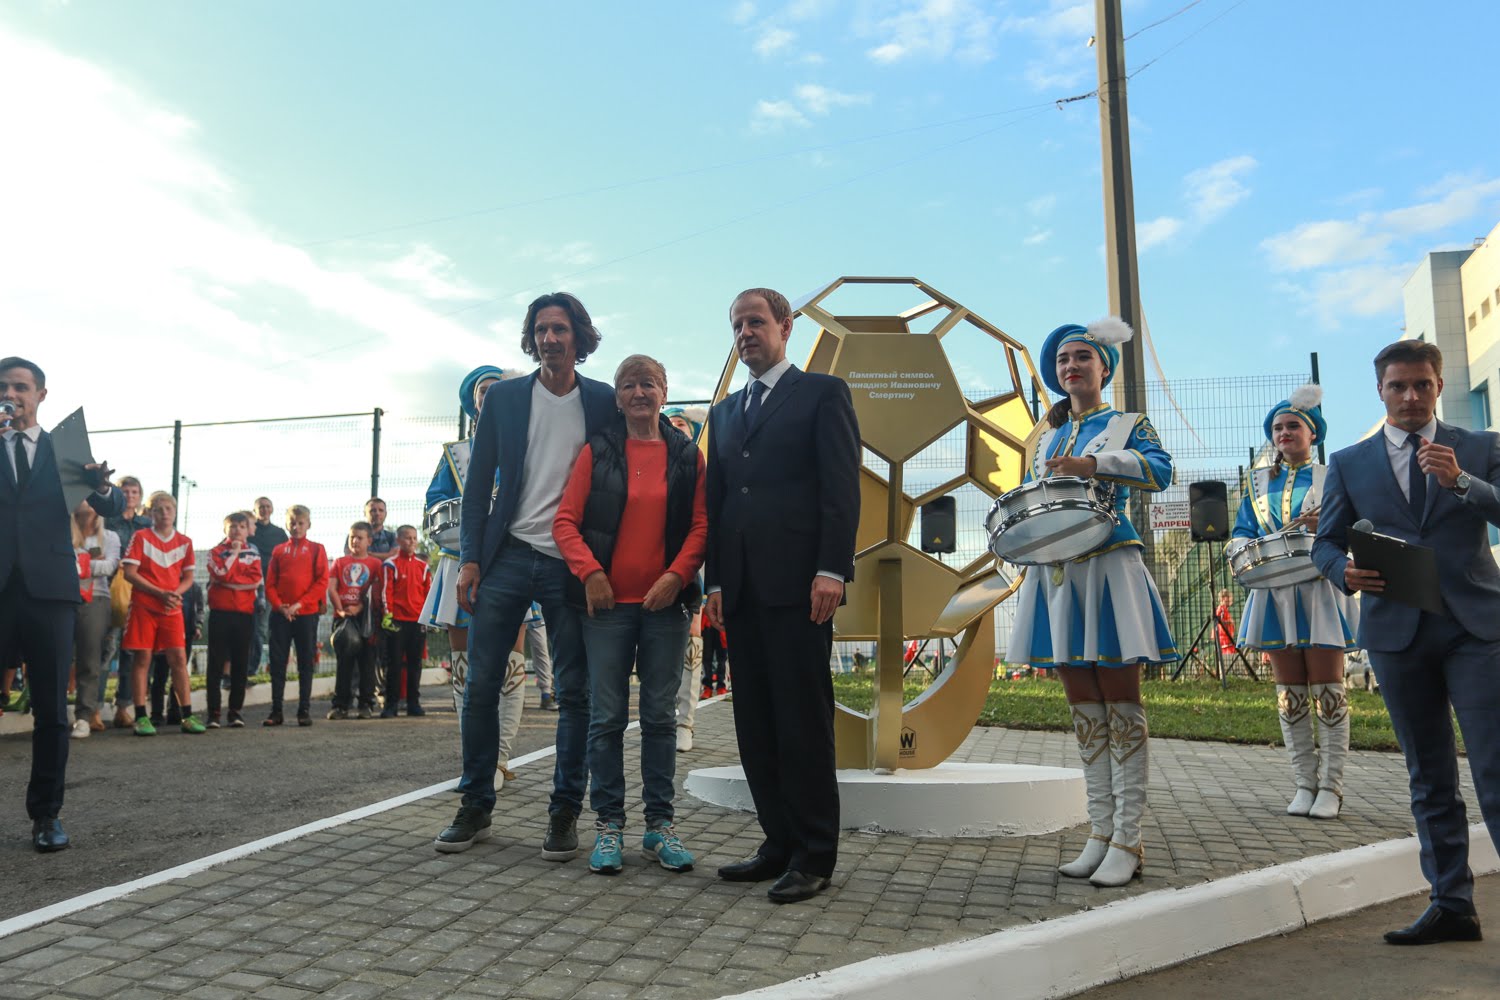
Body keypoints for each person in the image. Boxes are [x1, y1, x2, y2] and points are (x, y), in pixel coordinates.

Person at [1312, 339, 1500, 946]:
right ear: (1380, 391)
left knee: (1495, 767)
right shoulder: (1349, 462)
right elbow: (1324, 541)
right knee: (1429, 776)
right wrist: (1343, 572)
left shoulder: (1481, 447)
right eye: (1398, 386)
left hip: (1477, 630)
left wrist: (1462, 481)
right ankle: (1451, 905)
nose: (1411, 396)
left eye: (1422, 384)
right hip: (1398, 632)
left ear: (1439, 386)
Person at [434, 291, 617, 856]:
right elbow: (478, 485)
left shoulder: (604, 400)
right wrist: (470, 558)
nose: (549, 338)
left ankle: (564, 812)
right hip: (507, 555)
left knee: (574, 693)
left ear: (579, 337)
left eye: (559, 328)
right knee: (481, 684)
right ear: (531, 339)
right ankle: (475, 804)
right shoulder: (506, 399)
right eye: (540, 330)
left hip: (572, 562)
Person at [1005, 317, 1176, 888]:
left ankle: (1128, 838)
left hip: (1109, 565)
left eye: (1082, 357)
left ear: (1105, 368)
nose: (1071, 366)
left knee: (1120, 701)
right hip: (1058, 573)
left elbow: (1161, 471)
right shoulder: (1045, 438)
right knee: (1083, 706)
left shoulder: (1127, 424)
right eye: (1063, 360)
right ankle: (1100, 833)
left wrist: (1096, 464)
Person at [705, 287, 861, 904]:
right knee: (756, 724)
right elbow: (719, 503)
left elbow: (840, 488)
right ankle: (776, 842)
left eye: (756, 322)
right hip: (742, 591)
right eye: (737, 325)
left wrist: (832, 569)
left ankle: (814, 853)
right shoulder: (724, 412)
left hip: (801, 587)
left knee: (802, 722)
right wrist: (716, 580)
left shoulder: (822, 394)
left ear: (786, 326)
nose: (745, 333)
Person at [554, 354, 708, 874]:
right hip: (607, 609)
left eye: (648, 384)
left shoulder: (687, 455)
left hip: (665, 607)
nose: (638, 393)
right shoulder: (596, 451)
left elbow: (702, 526)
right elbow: (565, 522)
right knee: (606, 719)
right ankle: (609, 826)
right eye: (627, 385)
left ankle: (660, 826)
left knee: (660, 718)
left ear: (664, 391)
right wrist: (591, 574)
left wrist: (677, 576)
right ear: (617, 397)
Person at [1, 357, 124, 850]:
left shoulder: (63, 448)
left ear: (41, 395)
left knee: (52, 711)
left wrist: (102, 485)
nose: (10, 395)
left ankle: (46, 815)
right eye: (3, 387)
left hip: (50, 593)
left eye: (20, 387)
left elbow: (111, 506)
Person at [1227, 385, 1357, 819]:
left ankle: (1331, 787)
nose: (1284, 433)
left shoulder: (1332, 475)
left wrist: (1328, 524)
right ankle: (1304, 783)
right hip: (1275, 590)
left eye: (1293, 426)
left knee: (1327, 686)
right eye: (1278, 428)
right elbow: (1242, 530)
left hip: (1320, 587)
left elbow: (1358, 526)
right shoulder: (1257, 482)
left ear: (1312, 433)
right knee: (1289, 692)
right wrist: (1240, 547)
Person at [420, 366, 531, 780]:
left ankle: (500, 758)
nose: (491, 394)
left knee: (511, 663)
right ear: (474, 400)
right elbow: (435, 504)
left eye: (498, 388)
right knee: (466, 666)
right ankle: (476, 758)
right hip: (459, 562)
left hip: (512, 558)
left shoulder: (524, 443)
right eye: (484, 390)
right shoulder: (456, 455)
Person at [121, 491, 205, 735]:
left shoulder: (185, 542)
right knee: (143, 659)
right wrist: (160, 593)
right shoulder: (141, 537)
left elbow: (188, 577)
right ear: (151, 513)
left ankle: (187, 715)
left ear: (175, 512)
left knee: (178, 659)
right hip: (144, 607)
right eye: (159, 509)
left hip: (171, 608)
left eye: (169, 508)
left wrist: (174, 594)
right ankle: (141, 717)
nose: (165, 513)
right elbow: (129, 573)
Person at [663, 405, 707, 753]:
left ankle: (685, 722)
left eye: (682, 424)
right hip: (654, 562)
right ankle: (662, 719)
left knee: (692, 637)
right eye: (671, 423)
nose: (675, 428)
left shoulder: (699, 465)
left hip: (694, 561)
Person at [264, 505, 329, 727]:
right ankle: (276, 711)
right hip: (280, 614)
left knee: (305, 661)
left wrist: (300, 604)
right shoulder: (279, 550)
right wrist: (280, 606)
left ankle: (304, 710)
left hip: (306, 614)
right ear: (286, 524)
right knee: (278, 661)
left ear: (308, 525)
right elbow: (270, 583)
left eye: (301, 523)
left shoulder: (317, 549)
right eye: (292, 523)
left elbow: (321, 581)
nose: (296, 527)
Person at [204, 510, 262, 728]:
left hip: (244, 614)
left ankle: (235, 712)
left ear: (248, 530)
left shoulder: (253, 553)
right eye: (233, 526)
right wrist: (234, 554)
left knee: (240, 663)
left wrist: (228, 583)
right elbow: (220, 573)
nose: (237, 530)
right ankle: (213, 713)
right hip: (220, 613)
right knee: (215, 663)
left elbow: (254, 581)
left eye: (242, 526)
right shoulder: (216, 552)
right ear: (225, 529)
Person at [101, 475, 150, 727]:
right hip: (109, 589)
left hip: (139, 592)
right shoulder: (107, 520)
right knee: (106, 648)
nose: (130, 496)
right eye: (125, 491)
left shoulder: (146, 525)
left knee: (131, 652)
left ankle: (123, 707)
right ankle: (94, 709)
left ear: (140, 496)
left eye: (134, 492)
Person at [71, 499, 120, 737]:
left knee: (89, 660)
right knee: (55, 657)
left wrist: (77, 564)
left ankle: (84, 717)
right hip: (62, 598)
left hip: (97, 599)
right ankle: (50, 712)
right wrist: (92, 564)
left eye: (92, 498)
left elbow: (110, 567)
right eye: (83, 497)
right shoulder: (62, 532)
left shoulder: (110, 537)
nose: (87, 502)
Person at [328, 521, 383, 719]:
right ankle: (340, 705)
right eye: (352, 537)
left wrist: (359, 607)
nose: (355, 541)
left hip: (366, 618)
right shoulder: (340, 562)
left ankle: (366, 704)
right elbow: (332, 587)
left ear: (369, 541)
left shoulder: (376, 564)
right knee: (344, 664)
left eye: (360, 538)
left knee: (367, 663)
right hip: (343, 619)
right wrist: (341, 610)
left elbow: (376, 591)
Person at [382, 524, 431, 717]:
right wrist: (388, 616)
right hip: (397, 622)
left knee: (415, 665)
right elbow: (386, 591)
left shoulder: (423, 567)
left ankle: (413, 704)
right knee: (394, 665)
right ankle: (391, 705)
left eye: (414, 538)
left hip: (417, 622)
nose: (411, 541)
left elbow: (428, 594)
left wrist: (429, 619)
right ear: (398, 540)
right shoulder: (390, 564)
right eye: (407, 537)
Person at [247, 496, 288, 677]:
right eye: (261, 507)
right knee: (249, 627)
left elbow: (286, 558)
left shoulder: (279, 533)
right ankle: (242, 668)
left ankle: (253, 669)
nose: (264, 510)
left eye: (267, 506)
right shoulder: (249, 530)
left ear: (271, 510)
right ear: (255, 510)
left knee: (262, 628)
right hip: (248, 586)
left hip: (270, 588)